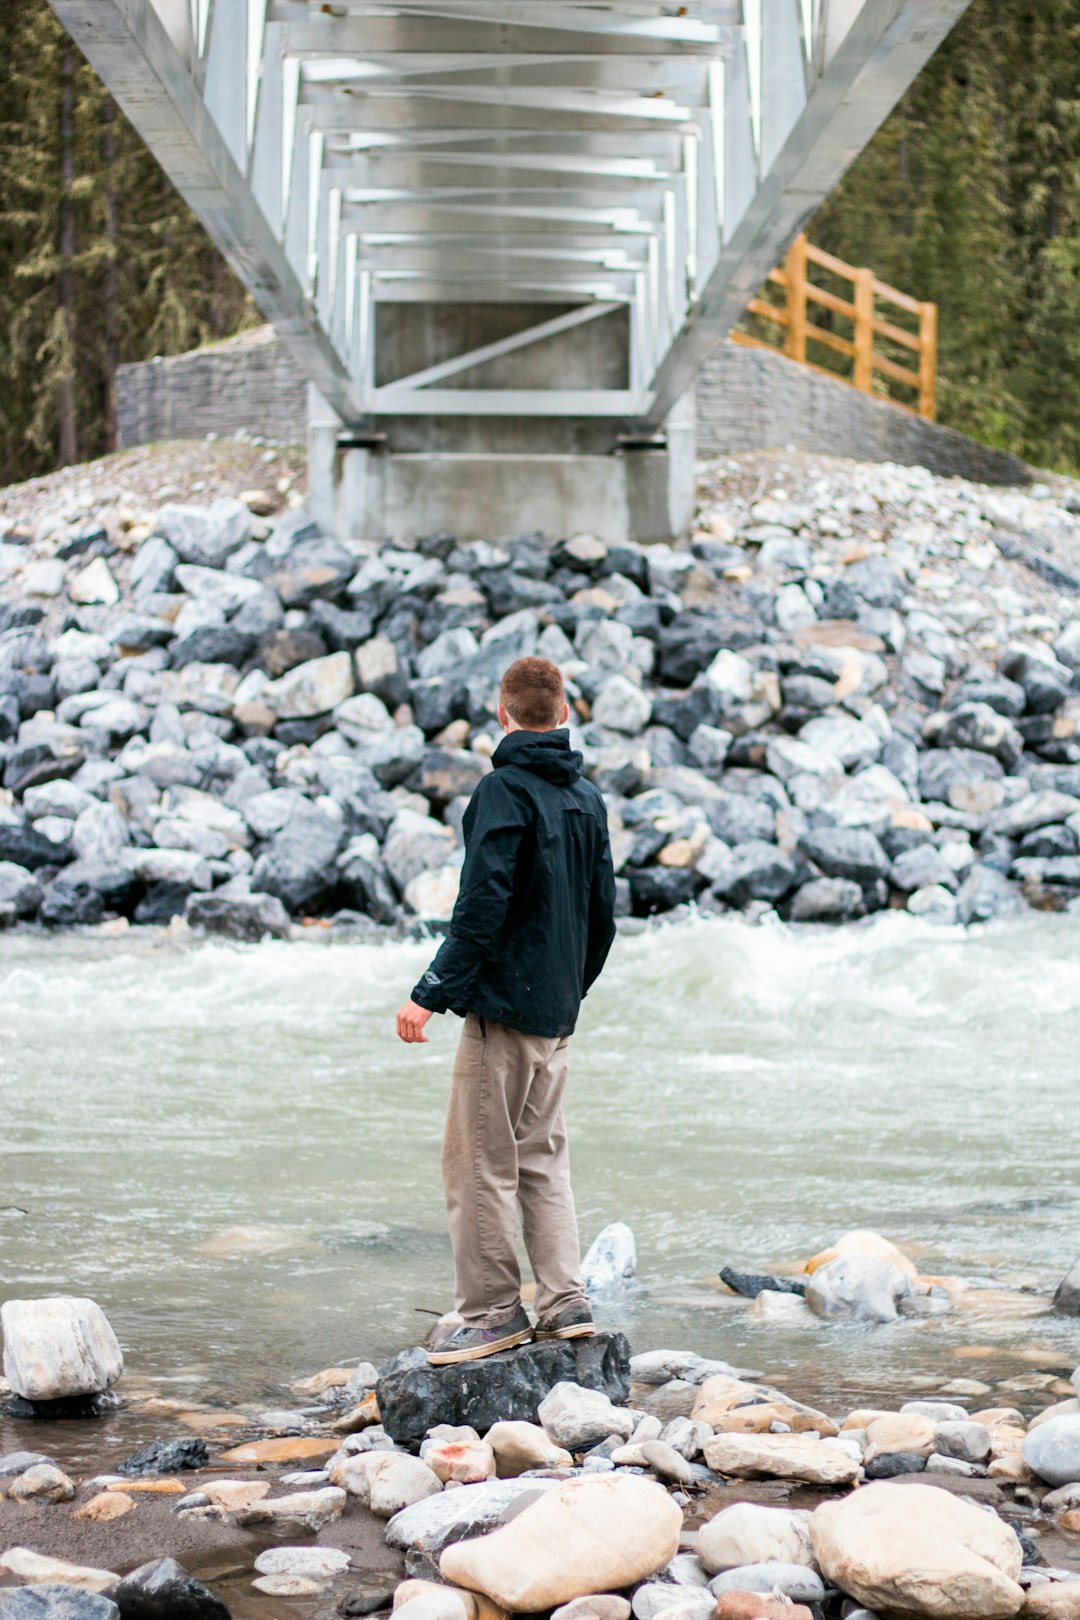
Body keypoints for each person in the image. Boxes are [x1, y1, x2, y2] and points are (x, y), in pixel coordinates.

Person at [396, 655, 617, 1365]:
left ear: (503, 714)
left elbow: (482, 905)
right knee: (543, 1160)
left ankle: (492, 1313)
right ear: (564, 713)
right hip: (555, 1015)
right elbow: (603, 916)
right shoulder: (585, 796)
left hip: (503, 1016)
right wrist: (566, 990)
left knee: (479, 1165)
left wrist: (430, 993)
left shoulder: (502, 790)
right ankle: (565, 1300)